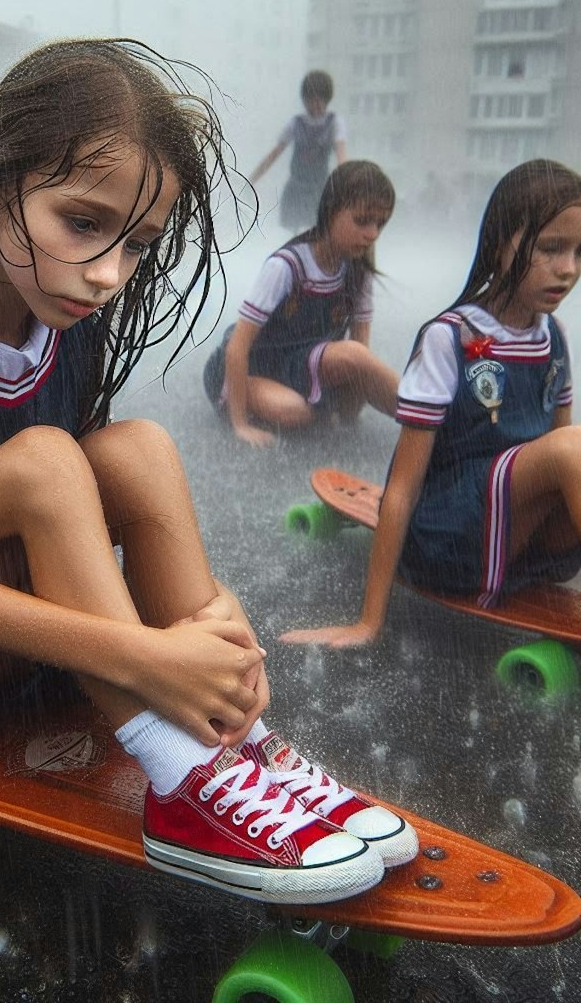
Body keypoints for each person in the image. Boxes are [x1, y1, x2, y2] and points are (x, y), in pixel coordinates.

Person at [0, 39, 418, 905]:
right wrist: (145, 654)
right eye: (83, 224)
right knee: (51, 462)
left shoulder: (66, 317)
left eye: (137, 246)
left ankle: (240, 744)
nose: (106, 273)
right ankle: (178, 775)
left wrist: (210, 627)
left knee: (137, 449)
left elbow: (91, 500)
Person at [282, 160, 581, 648]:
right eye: (550, 249)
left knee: (571, 447)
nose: (568, 269)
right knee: (572, 447)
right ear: (503, 242)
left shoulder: (554, 338)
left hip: (520, 539)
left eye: (578, 251)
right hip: (448, 541)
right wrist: (368, 623)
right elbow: (400, 488)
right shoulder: (451, 338)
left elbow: (556, 460)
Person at [204, 161, 400, 447]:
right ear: (331, 211)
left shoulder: (358, 272)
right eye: (362, 220)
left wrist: (351, 405)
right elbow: (238, 345)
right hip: (255, 366)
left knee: (354, 365)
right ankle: (247, 396)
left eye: (380, 224)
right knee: (293, 413)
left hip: (302, 364)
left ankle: (426, 420)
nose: (372, 234)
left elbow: (361, 355)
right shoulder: (286, 267)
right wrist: (240, 425)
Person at [249, 71, 348, 233]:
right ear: (304, 100)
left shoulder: (334, 123)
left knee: (318, 233)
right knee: (294, 237)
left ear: (327, 100)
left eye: (319, 100)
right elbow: (273, 155)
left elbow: (342, 155)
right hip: (296, 189)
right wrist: (251, 180)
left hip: (320, 190)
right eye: (310, 100)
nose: (315, 105)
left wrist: (348, 184)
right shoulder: (295, 124)